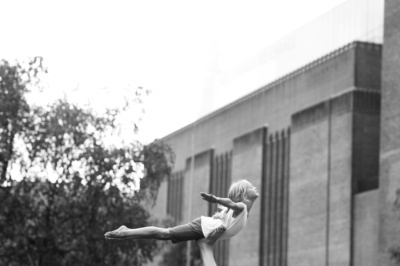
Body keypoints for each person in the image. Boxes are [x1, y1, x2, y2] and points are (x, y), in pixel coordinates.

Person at [104, 179, 259, 266]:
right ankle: (126, 232)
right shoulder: (242, 208)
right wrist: (216, 199)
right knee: (164, 233)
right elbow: (232, 203)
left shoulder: (244, 214)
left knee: (205, 247)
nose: (255, 187)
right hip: (202, 227)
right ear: (243, 195)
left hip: (208, 234)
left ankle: (126, 233)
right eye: (251, 187)